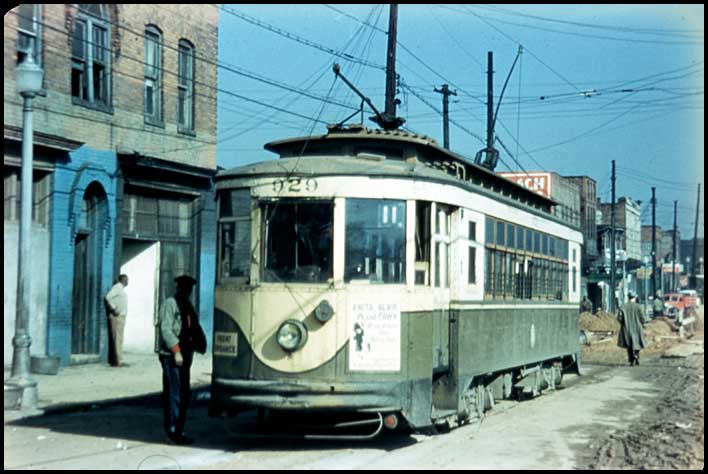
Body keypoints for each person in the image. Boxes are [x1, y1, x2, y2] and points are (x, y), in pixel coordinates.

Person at [155, 274, 207, 445]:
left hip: (185, 356)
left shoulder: (188, 306)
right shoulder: (170, 304)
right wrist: (176, 351)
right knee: (174, 394)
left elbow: (193, 329)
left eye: (189, 288)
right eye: (185, 287)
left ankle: (179, 430)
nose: (188, 291)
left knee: (184, 394)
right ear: (178, 288)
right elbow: (166, 329)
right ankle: (172, 431)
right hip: (172, 356)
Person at [617, 292, 647, 366]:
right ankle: (636, 355)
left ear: (628, 297)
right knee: (637, 343)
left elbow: (619, 318)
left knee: (629, 344)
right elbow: (643, 318)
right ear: (635, 297)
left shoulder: (623, 307)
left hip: (627, 328)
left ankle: (631, 360)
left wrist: (623, 323)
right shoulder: (639, 307)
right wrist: (643, 323)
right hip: (637, 328)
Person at [105, 274, 129, 367]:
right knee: (118, 339)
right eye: (127, 280)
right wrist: (114, 308)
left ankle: (118, 359)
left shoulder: (120, 289)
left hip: (121, 317)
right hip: (117, 317)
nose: (128, 282)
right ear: (123, 280)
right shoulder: (117, 288)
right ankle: (118, 361)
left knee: (119, 338)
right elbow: (108, 297)